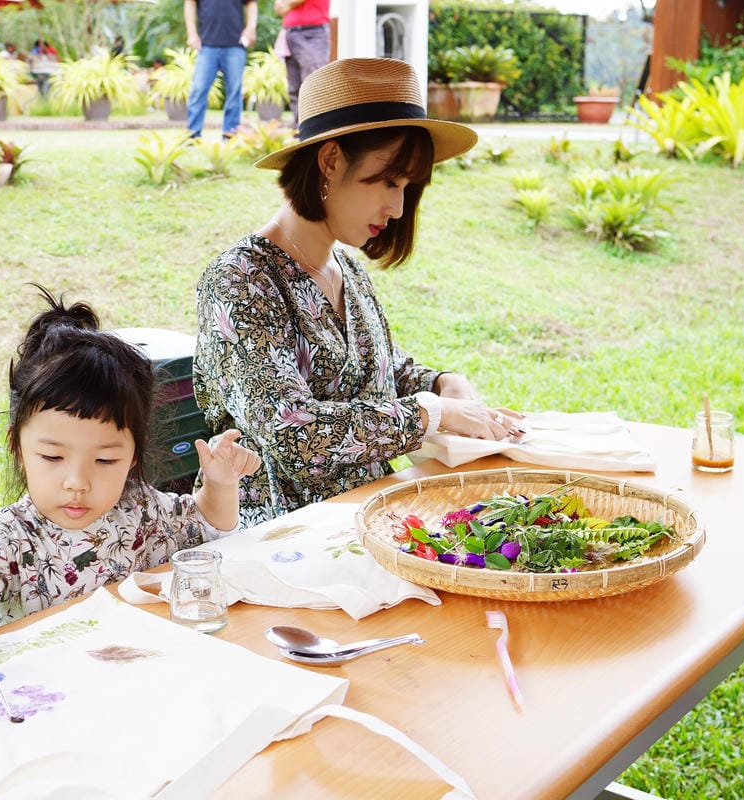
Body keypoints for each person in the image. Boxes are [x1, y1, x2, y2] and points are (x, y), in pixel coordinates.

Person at [193, 58, 524, 527]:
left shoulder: (344, 267)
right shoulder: (241, 280)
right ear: (330, 160)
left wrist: (441, 383)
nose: (398, 207)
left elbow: (378, 372)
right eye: (388, 181)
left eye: (406, 187)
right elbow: (296, 437)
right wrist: (432, 413)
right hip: (281, 538)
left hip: (371, 518)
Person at [0, 286, 261, 664]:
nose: (77, 482)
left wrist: (220, 483)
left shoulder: (141, 510)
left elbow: (208, 527)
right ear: (18, 449)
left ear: (133, 455)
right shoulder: (9, 538)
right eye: (52, 456)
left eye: (105, 460)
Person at [184, 0, 257, 139]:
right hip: (206, 45)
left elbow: (251, 3)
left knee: (234, 92)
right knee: (198, 89)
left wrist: (250, 28)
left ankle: (230, 134)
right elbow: (190, 3)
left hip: (235, 44)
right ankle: (193, 135)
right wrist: (191, 33)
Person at [273, 0, 329, 127]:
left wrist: (287, 4)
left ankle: (316, 128)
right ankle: (300, 128)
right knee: (294, 85)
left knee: (313, 83)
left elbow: (283, 5)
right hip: (290, 32)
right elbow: (278, 7)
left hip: (314, 33)